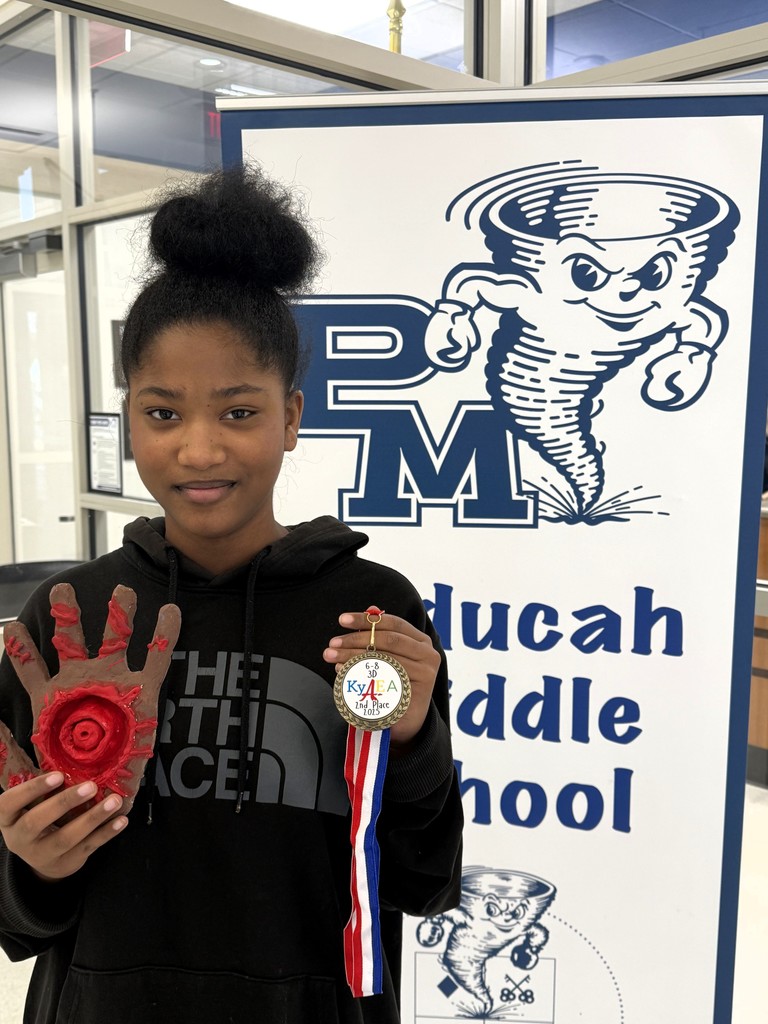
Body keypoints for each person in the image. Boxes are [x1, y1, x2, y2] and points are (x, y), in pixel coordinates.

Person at [0, 166, 462, 1024]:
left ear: (291, 417)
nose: (199, 450)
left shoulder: (368, 614)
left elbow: (424, 882)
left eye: (239, 413)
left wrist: (414, 736)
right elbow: (17, 915)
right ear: (127, 418)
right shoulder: (70, 620)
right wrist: (36, 863)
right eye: (164, 413)